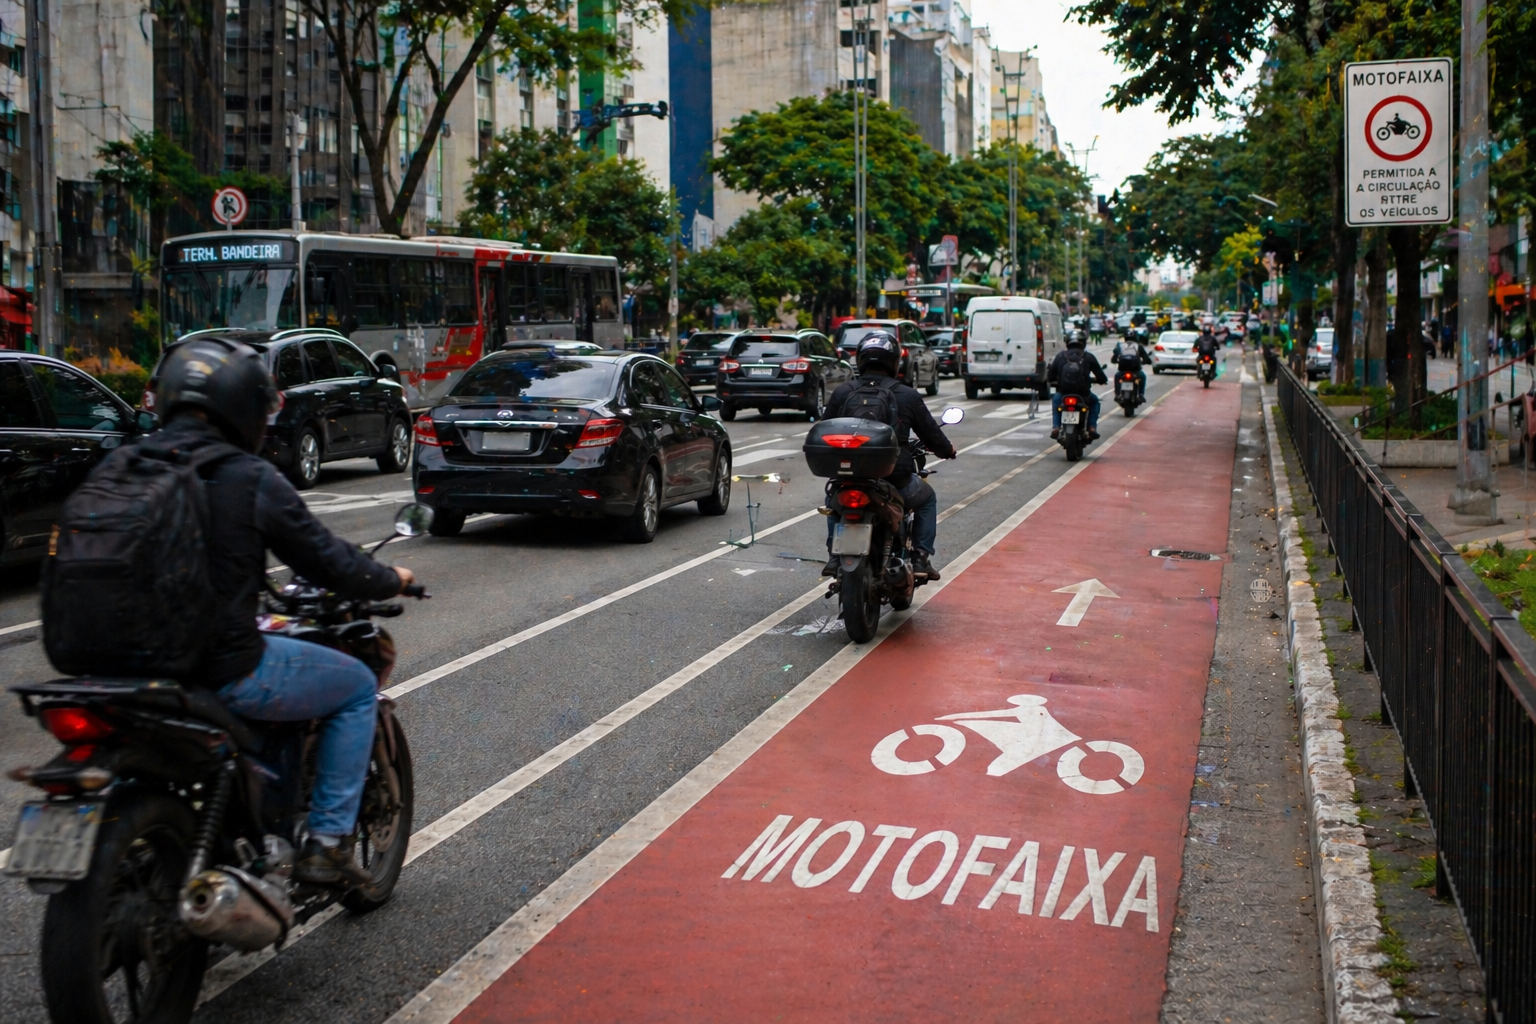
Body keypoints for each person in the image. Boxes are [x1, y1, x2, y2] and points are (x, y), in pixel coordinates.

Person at [153, 338, 415, 885]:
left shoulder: (124, 464)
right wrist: (391, 578)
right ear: (243, 411)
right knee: (354, 687)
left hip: (114, 670)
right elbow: (324, 558)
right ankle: (327, 842)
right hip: (213, 665)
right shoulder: (245, 476)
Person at [822, 332, 957, 581]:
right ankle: (920, 556)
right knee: (927, 499)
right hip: (895, 478)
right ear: (895, 362)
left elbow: (824, 429)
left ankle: (834, 555)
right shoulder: (907, 394)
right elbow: (932, 435)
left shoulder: (843, 392)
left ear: (860, 360)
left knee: (833, 501)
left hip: (848, 476)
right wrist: (948, 451)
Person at [1046, 330, 1108, 440]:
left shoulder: (1060, 356)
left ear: (1067, 342)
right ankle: (1092, 427)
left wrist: (1056, 381)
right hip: (1083, 394)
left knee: (1056, 401)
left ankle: (1056, 427)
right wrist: (1099, 380)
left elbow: (1050, 377)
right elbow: (1102, 377)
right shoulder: (1088, 357)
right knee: (1094, 402)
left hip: (1063, 393)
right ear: (1083, 343)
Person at [1110, 331, 1151, 399]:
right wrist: (1146, 361)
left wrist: (1115, 361)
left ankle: (1117, 394)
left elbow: (1114, 358)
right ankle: (1141, 394)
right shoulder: (1138, 346)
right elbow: (1146, 358)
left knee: (1117, 376)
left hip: (1122, 370)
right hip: (1136, 370)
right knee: (1142, 376)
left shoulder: (1120, 346)